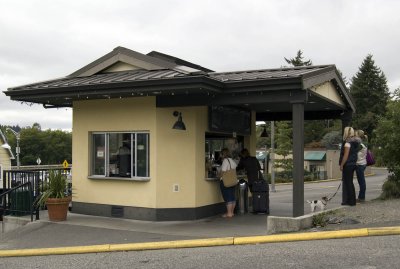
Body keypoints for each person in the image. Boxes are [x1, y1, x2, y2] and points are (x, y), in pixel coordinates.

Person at [339, 126, 360, 206]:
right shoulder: (355, 142)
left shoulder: (348, 143)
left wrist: (341, 165)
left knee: (348, 183)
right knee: (350, 182)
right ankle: (351, 200)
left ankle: (351, 202)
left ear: (346, 133)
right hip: (353, 164)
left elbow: (345, 156)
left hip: (348, 165)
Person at [218, 148, 237, 218]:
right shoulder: (231, 160)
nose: (220, 155)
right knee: (232, 197)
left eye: (221, 153)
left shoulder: (225, 161)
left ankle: (229, 213)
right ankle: (231, 212)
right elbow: (235, 167)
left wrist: (219, 176)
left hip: (226, 182)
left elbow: (223, 171)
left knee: (228, 197)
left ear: (223, 154)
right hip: (233, 181)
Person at [355, 130, 368, 202]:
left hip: (360, 164)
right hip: (363, 163)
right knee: (361, 181)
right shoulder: (364, 143)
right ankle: (361, 197)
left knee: (361, 182)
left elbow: (354, 152)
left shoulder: (360, 145)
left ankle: (361, 198)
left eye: (356, 135)